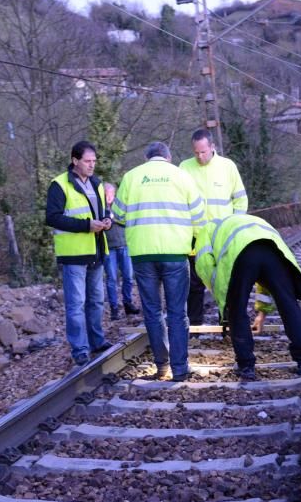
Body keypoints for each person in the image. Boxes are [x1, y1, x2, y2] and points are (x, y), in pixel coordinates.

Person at [113, 141, 205, 382]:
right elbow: (199, 216)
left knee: (152, 312)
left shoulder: (131, 177)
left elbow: (118, 215)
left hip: (143, 255)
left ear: (146, 158)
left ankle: (162, 365)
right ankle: (180, 369)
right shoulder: (182, 176)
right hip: (175, 253)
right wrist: (194, 244)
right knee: (177, 313)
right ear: (169, 156)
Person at [194, 213, 301, 381]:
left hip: (242, 255)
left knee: (236, 310)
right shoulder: (249, 221)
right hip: (272, 250)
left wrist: (224, 301)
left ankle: (246, 367)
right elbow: (264, 281)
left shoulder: (205, 231)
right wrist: (262, 313)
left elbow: (205, 267)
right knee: (287, 302)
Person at [45, 140, 111, 366]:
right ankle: (80, 349)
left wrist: (107, 220)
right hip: (74, 254)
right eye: (87, 161)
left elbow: (103, 210)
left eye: (94, 161)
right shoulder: (59, 185)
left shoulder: (97, 183)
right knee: (76, 305)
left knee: (97, 302)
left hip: (96, 250)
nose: (92, 165)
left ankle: (97, 342)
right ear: (75, 161)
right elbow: (52, 217)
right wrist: (86, 226)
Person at [178, 128, 248, 326]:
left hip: (223, 235)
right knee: (194, 283)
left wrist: (235, 226)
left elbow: (240, 200)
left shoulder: (228, 167)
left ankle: (227, 322)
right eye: (196, 152)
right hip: (195, 236)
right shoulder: (184, 167)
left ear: (212, 147)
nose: (200, 156)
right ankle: (194, 324)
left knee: (224, 281)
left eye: (203, 152)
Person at [102, 183, 139, 320]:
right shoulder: (99, 208)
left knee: (128, 277)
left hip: (124, 245)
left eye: (111, 194)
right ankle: (114, 308)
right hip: (109, 247)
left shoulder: (121, 206)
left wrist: (113, 220)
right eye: (106, 194)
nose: (109, 197)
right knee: (112, 279)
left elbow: (127, 220)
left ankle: (128, 303)